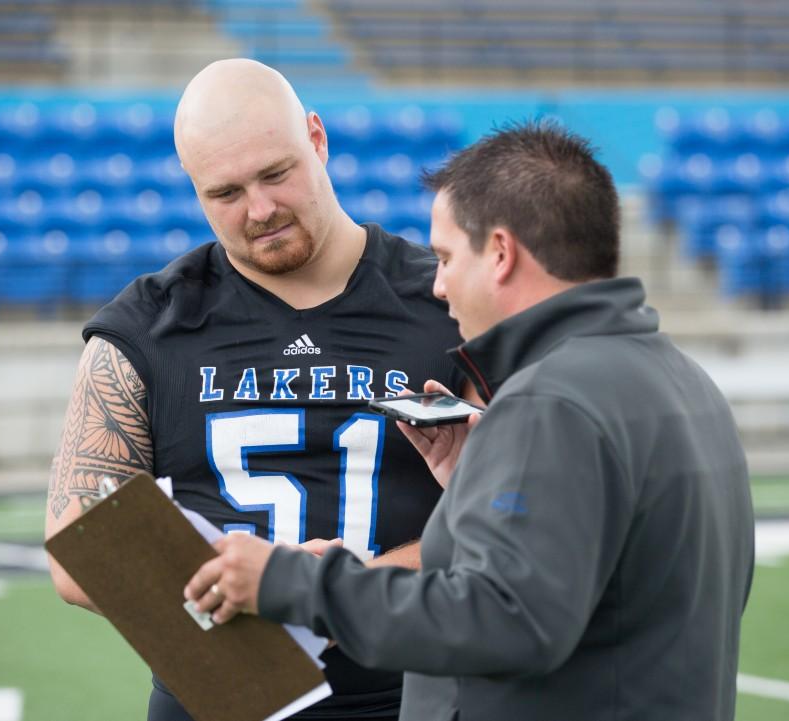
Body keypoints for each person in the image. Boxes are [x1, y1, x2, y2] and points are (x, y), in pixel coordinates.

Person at [184, 121, 756, 721]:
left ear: (501, 254)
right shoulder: (685, 382)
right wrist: (477, 492)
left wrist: (292, 583)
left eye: (446, 257)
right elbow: (618, 592)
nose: (437, 285)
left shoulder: (552, 402)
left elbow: (503, 620)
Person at [44, 58, 471, 721]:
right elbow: (81, 551)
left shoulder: (448, 303)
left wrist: (323, 589)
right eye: (227, 193)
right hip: (219, 702)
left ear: (318, 140)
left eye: (277, 174)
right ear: (194, 189)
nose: (261, 209)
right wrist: (253, 599)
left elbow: (518, 523)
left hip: (417, 697)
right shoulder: (146, 327)